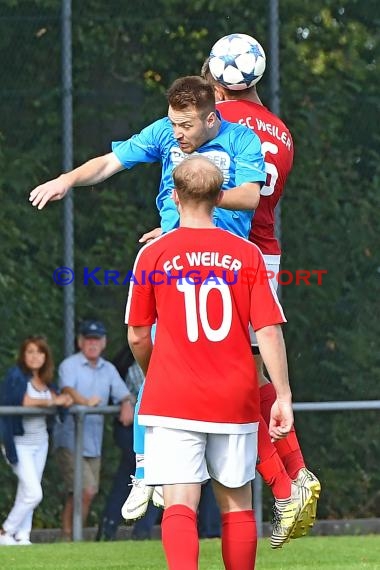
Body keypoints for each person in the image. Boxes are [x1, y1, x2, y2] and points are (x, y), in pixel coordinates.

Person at [29, 76, 267, 522]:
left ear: (212, 117)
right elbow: (108, 163)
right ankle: (145, 469)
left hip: (228, 266)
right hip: (178, 262)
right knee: (153, 358)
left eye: (186, 125)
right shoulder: (163, 131)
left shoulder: (242, 140)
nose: (177, 133)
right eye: (174, 123)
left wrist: (196, 207)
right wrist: (66, 180)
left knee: (249, 372)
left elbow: (252, 196)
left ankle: (273, 473)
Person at [126, 155, 293, 570]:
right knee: (236, 502)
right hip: (233, 396)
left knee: (180, 501)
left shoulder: (154, 255)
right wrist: (283, 396)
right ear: (220, 197)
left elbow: (135, 335)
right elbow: (269, 331)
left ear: (174, 197)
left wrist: (155, 372)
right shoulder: (247, 254)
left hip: (173, 396)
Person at [200, 43, 321, 543]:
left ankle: (284, 485)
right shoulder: (282, 131)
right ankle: (295, 472)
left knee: (226, 384)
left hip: (226, 252)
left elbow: (199, 181)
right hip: (266, 254)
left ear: (217, 77)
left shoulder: (213, 120)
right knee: (246, 375)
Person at [53, 319, 134, 540]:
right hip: (70, 440)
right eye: (88, 339)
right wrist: (85, 402)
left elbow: (123, 392)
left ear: (104, 342)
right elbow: (67, 388)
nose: (92, 344)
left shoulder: (108, 369)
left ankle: (68, 537)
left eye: (96, 339)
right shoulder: (69, 365)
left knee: (82, 492)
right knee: (86, 490)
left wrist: (126, 402)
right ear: (80, 342)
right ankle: (72, 536)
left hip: (93, 443)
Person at [0, 336, 72, 546]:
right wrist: (53, 401)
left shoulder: (46, 380)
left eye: (39, 352)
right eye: (30, 351)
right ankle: (6, 531)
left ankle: (23, 536)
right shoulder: (16, 375)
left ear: (45, 356)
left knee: (27, 490)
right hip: (18, 442)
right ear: (23, 355)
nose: (34, 356)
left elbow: (58, 399)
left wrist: (64, 399)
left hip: (40, 442)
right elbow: (22, 400)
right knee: (34, 493)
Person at [96, 345, 161, 541]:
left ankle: (139, 531)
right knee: (134, 479)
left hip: (157, 430)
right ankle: (110, 530)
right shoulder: (136, 367)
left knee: (156, 481)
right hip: (139, 430)